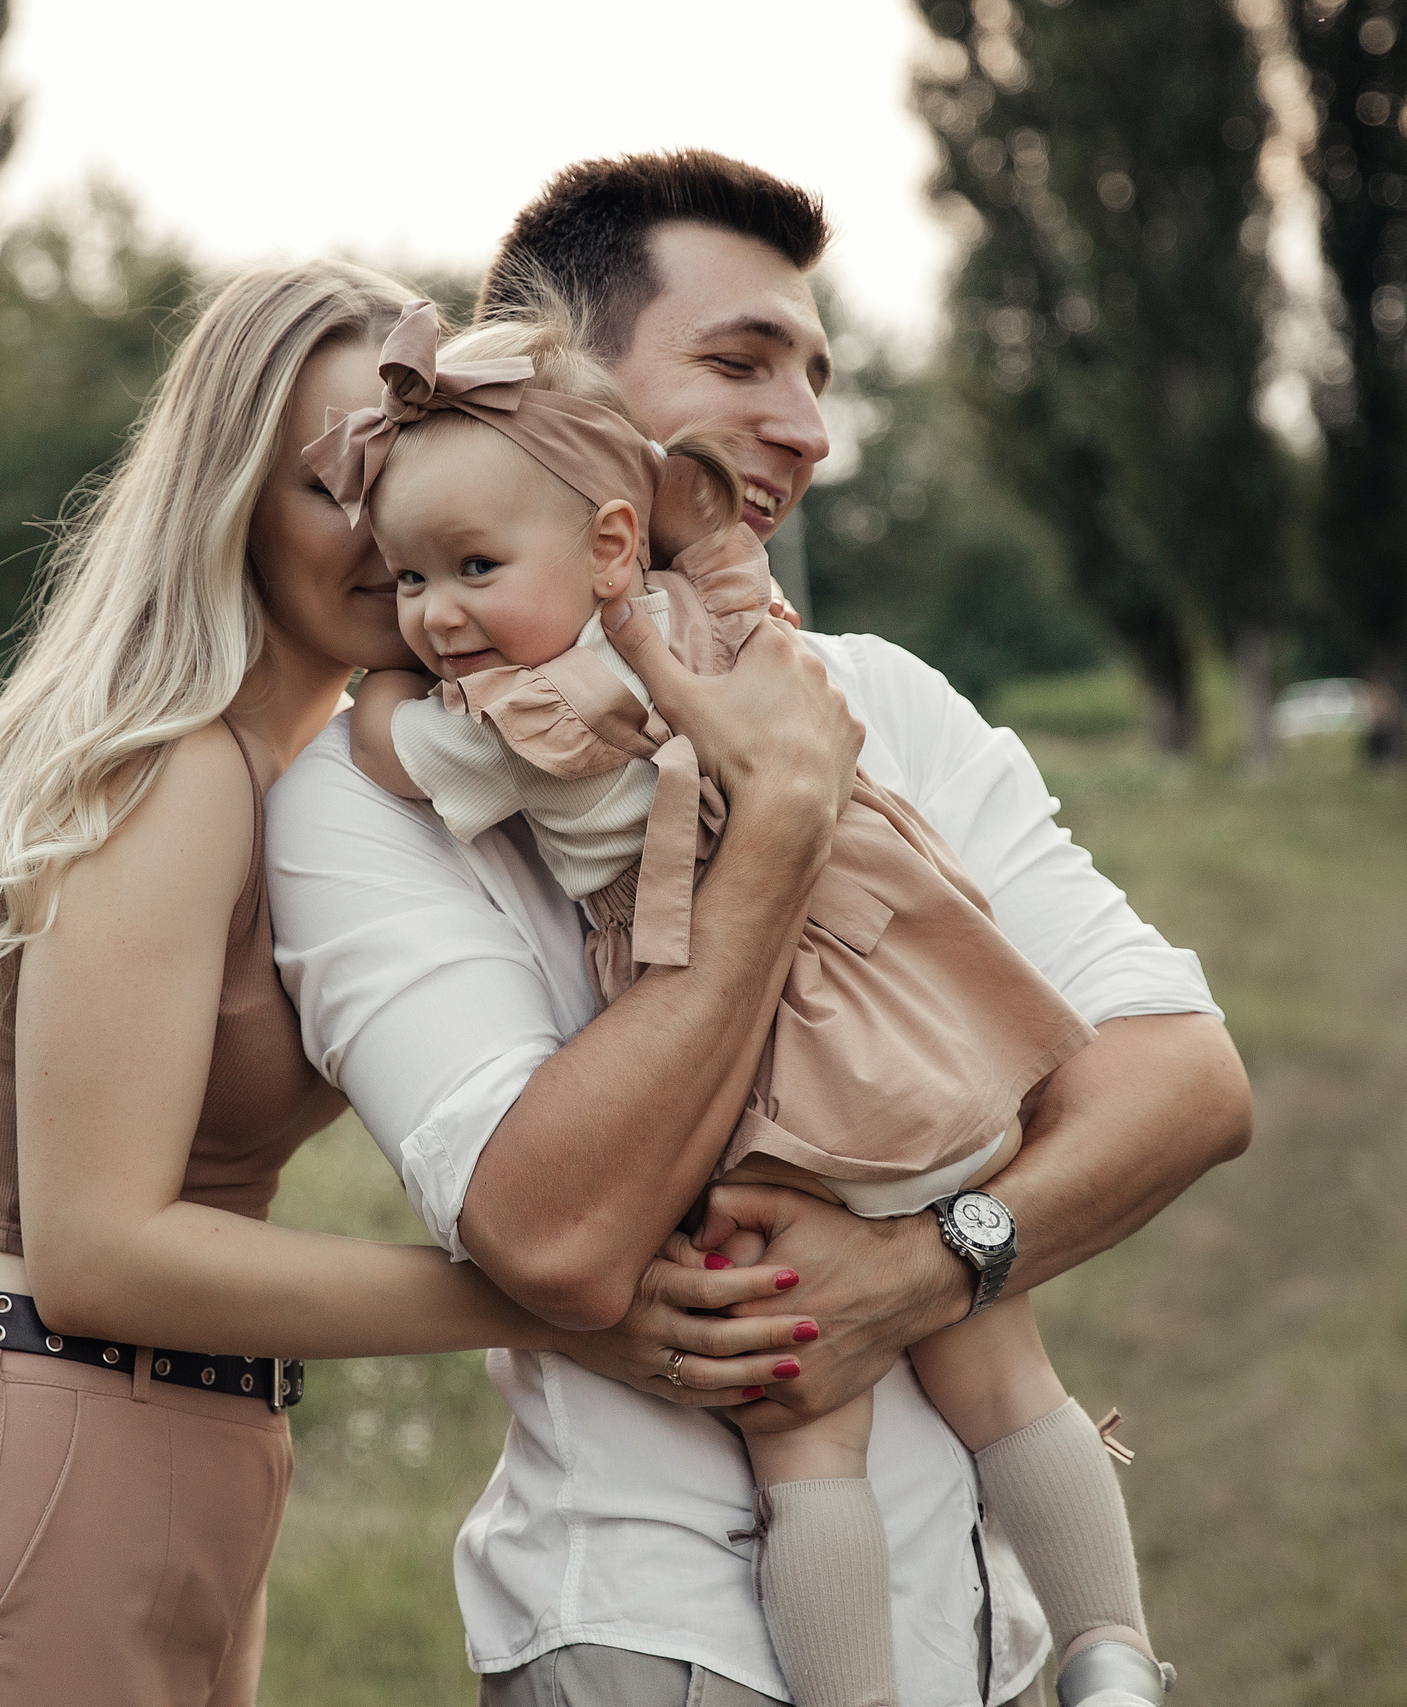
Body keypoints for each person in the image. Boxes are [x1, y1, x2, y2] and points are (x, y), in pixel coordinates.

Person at [268, 152, 1253, 1707]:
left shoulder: (878, 692)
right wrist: (779, 830)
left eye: (814, 372)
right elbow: (556, 1234)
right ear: (562, 388)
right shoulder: (356, 801)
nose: (805, 425)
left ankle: (1110, 1646)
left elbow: (1186, 1084)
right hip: (653, 1638)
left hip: (978, 1643)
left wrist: (935, 1262)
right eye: (741, 361)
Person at [0, 260, 816, 1707]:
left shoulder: (333, 792)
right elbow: (98, 1256)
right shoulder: (176, 771)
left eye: (405, 476)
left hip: (188, 1471)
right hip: (38, 1484)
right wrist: (545, 1306)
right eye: (336, 484)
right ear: (230, 508)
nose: (384, 524)